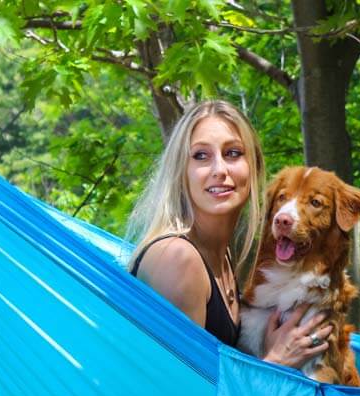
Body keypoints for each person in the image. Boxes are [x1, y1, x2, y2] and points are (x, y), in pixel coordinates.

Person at [126, 100, 331, 367]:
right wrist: (275, 364)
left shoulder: (225, 256)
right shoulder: (176, 258)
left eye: (233, 153)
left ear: (254, 166)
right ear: (181, 172)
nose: (219, 170)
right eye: (200, 156)